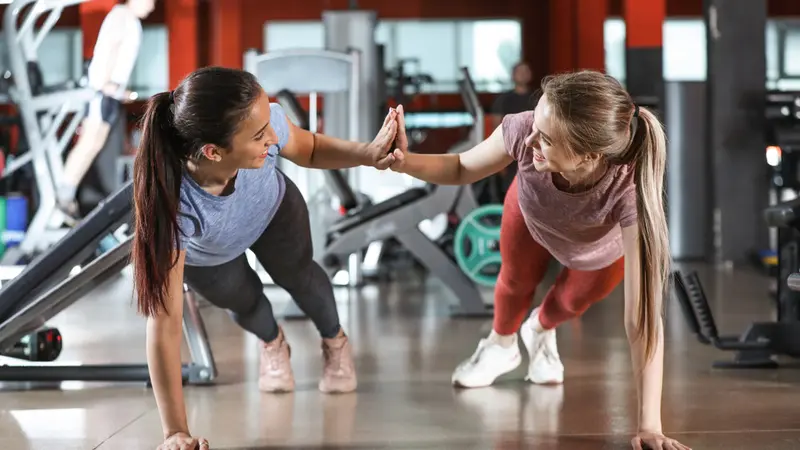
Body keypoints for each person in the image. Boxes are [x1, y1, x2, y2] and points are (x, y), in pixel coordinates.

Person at [388, 71, 692, 450]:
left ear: (590, 155)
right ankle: (501, 346)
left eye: (546, 139)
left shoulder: (629, 189)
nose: (530, 139)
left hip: (598, 248)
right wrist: (404, 162)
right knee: (514, 281)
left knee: (569, 303)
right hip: (531, 214)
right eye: (536, 122)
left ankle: (540, 329)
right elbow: (462, 167)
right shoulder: (524, 129)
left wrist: (650, 425)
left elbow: (642, 319)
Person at [132, 67, 399, 450]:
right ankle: (274, 342)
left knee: (302, 278)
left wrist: (367, 154)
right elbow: (165, 323)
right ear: (213, 151)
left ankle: (335, 341)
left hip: (273, 210)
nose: (273, 138)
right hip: (211, 254)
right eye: (259, 136)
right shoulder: (172, 204)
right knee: (246, 304)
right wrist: (175, 432)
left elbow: (306, 147)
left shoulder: (261, 119)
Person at [57, 0, 155, 215]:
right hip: (100, 90)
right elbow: (109, 47)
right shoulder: (121, 15)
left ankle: (67, 194)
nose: (153, 6)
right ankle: (63, 196)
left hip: (111, 92)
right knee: (90, 140)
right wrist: (105, 83)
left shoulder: (132, 21)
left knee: (97, 141)